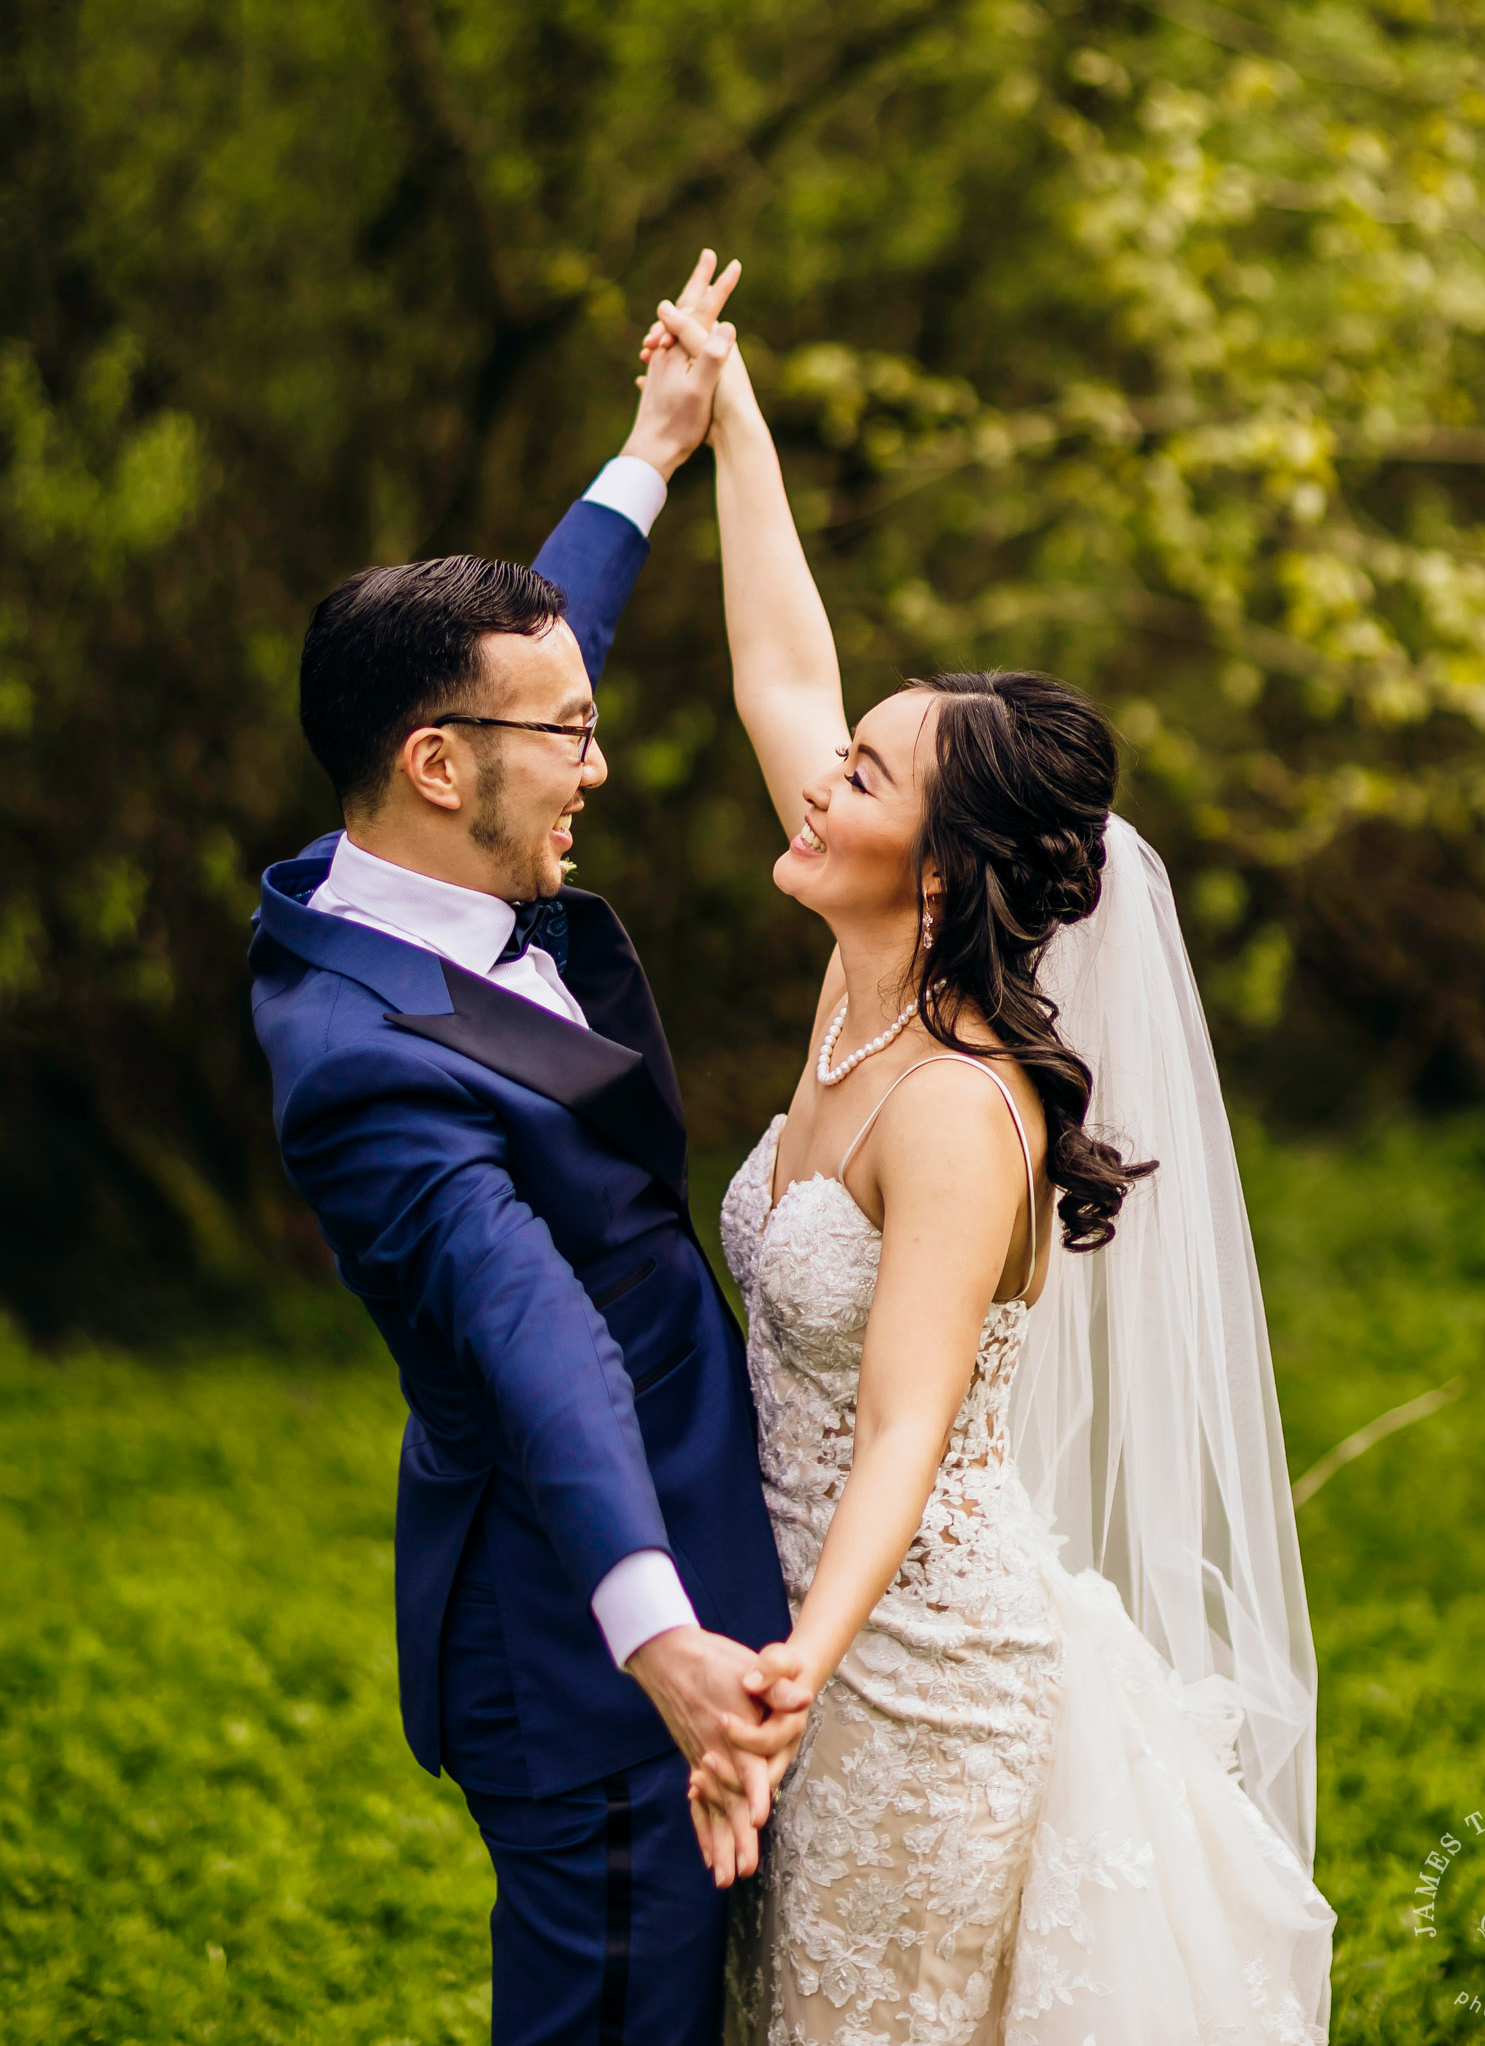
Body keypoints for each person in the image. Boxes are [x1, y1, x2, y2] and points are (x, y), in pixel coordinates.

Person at [640, 291, 1336, 2044]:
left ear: (937, 871)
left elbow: (906, 1426)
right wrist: (733, 423)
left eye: (857, 777)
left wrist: (805, 1667)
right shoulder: (860, 949)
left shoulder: (959, 1106)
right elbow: (782, 672)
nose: (814, 788)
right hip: (796, 1632)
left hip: (917, 1668)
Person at [248, 254, 800, 2046]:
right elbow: (531, 1324)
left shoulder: (426, 844)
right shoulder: (358, 1063)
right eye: (570, 739)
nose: (600, 764)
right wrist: (656, 1641)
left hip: (679, 1543)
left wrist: (655, 447)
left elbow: (539, 658)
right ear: (432, 765)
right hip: (582, 1660)